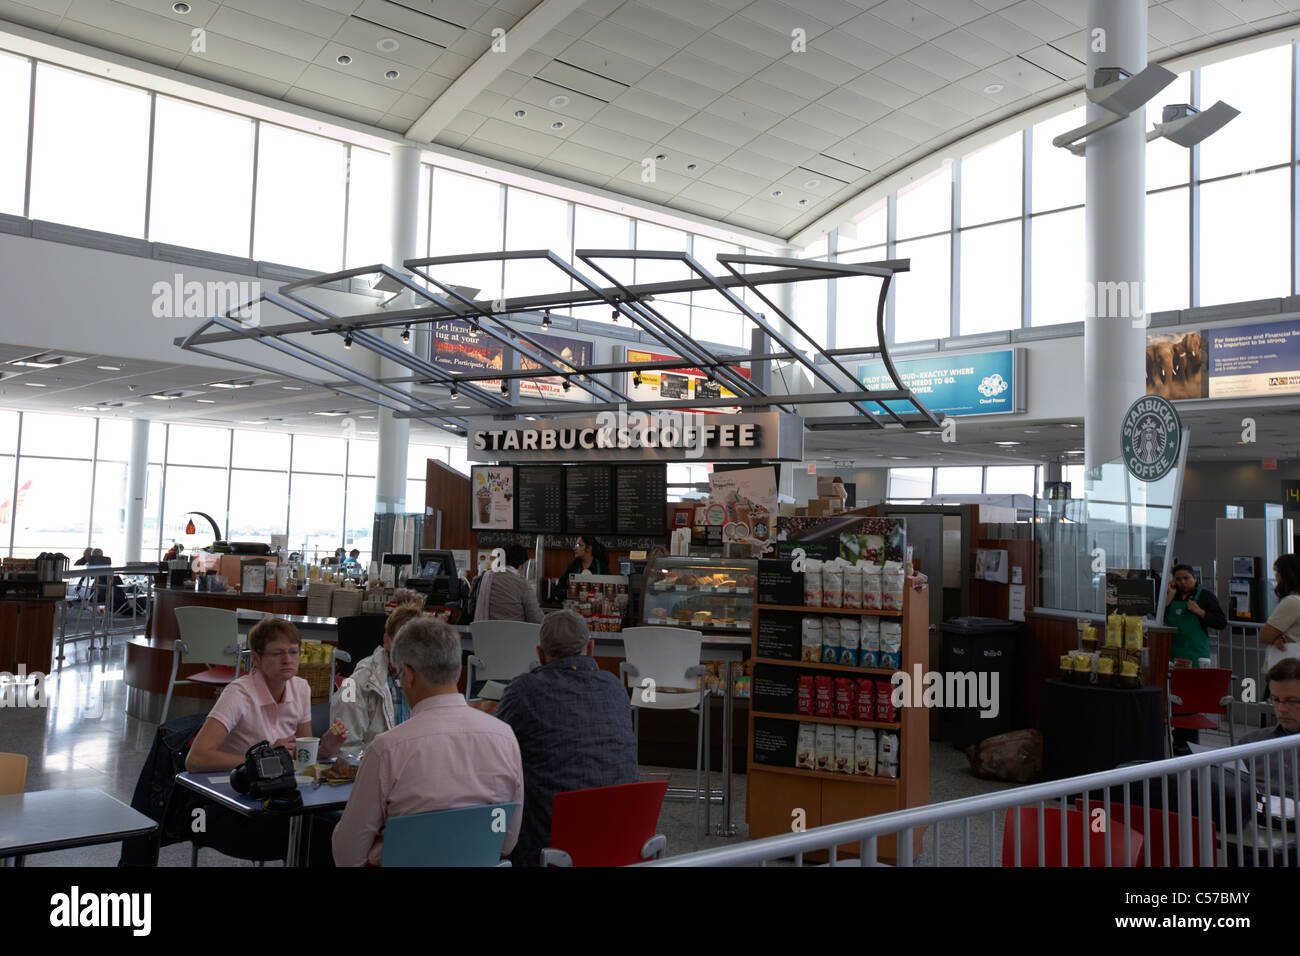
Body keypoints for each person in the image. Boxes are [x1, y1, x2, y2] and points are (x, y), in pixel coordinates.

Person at [331, 618, 524, 866]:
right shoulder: (505, 738)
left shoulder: (387, 750)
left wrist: (383, 850)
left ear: (408, 675)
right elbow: (506, 841)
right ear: (459, 672)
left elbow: (347, 855)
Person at [495, 610, 638, 866]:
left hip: (547, 845)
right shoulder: (615, 688)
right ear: (591, 648)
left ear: (540, 654)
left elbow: (494, 757)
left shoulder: (523, 692)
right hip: (618, 839)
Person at [186, 617, 347, 772]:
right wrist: (264, 757)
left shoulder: (301, 688)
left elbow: (300, 756)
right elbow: (195, 759)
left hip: (277, 782)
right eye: (277, 653)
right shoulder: (238, 694)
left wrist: (324, 750)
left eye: (293, 652)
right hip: (236, 785)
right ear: (256, 659)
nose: (287, 660)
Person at [330, 602, 424, 753]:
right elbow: (346, 749)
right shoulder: (354, 684)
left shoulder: (428, 681)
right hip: (375, 769)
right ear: (387, 641)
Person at [1163, 564, 1226, 665]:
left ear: (1194, 578)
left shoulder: (1206, 596)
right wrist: (1168, 598)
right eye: (1178, 579)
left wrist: (1200, 612)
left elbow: (1221, 622)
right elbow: (1158, 619)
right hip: (1173, 654)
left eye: (1186, 578)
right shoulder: (1170, 596)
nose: (1182, 582)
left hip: (1197, 656)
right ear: (1173, 581)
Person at [467, 544, 542, 625]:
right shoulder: (523, 584)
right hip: (515, 635)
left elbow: (470, 609)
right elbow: (536, 619)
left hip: (482, 634)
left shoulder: (480, 579)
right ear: (521, 564)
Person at [1260, 553, 1300, 656]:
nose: (1275, 575)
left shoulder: (1292, 602)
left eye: (1277, 571)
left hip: (1287, 666)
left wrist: (1275, 637)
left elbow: (1265, 636)